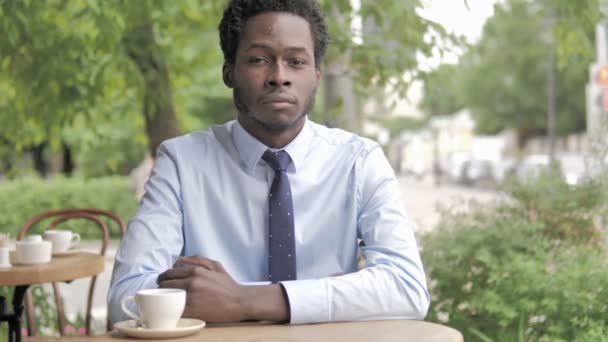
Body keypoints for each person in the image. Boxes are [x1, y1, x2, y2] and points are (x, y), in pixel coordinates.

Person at [109, 0, 429, 325]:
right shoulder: (181, 163)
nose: (279, 77)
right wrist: (330, 295)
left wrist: (243, 300)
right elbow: (126, 296)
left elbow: (407, 287)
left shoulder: (359, 162)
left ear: (316, 75)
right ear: (229, 71)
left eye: (297, 61)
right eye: (259, 59)